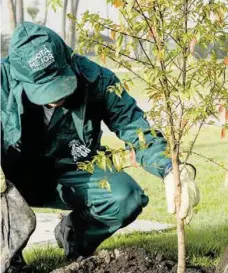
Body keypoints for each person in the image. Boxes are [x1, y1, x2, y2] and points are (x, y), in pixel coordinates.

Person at [1, 22, 200, 261]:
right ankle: (10, 255)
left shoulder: (97, 79)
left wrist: (170, 169)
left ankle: (74, 236)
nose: (55, 97)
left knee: (125, 197)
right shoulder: (3, 81)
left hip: (73, 170)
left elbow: (133, 126)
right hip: (14, 178)